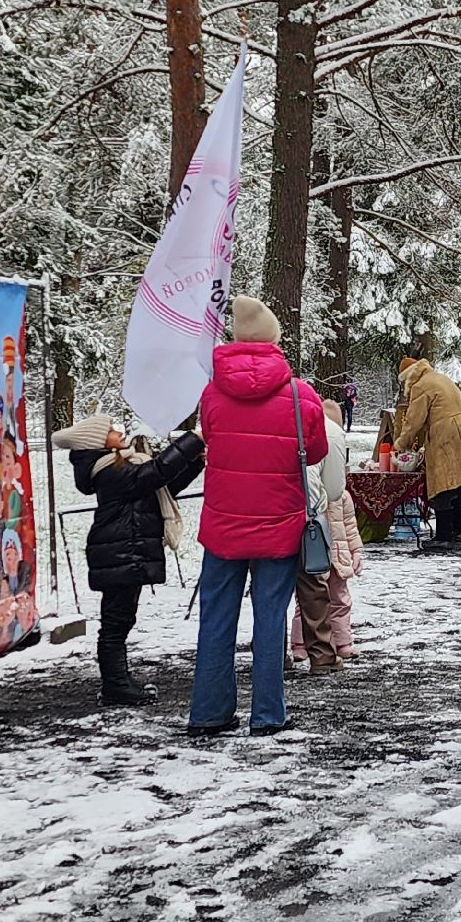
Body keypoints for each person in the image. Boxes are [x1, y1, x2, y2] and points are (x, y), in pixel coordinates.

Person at [189, 296, 327, 737]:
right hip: (278, 523)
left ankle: (209, 711)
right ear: (273, 339)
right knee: (270, 617)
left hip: (223, 523)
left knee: (216, 616)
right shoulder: (300, 395)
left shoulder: (211, 392)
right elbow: (317, 451)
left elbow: (210, 437)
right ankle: (268, 713)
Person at [54, 413, 205, 706]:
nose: (117, 431)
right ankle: (115, 685)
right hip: (119, 551)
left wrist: (195, 462)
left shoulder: (121, 465)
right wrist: (193, 439)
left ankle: (118, 681)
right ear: (97, 441)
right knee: (115, 622)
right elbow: (156, 473)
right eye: (110, 430)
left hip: (125, 550)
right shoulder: (108, 472)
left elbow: (161, 488)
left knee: (121, 619)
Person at [292, 394, 355, 672]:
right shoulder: (328, 430)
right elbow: (333, 491)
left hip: (256, 514)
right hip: (305, 516)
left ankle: (272, 655)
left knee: (269, 591)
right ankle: (322, 655)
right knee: (313, 587)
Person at [395, 358, 461, 549]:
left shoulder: (421, 386)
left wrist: (401, 444)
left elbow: (413, 421)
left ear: (408, 377)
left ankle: (444, 535)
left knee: (443, 482)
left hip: (445, 434)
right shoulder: (441, 378)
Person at [323, 401, 366, 657]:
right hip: (323, 556)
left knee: (334, 601)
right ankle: (301, 644)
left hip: (336, 557)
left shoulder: (342, 497)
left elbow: (350, 526)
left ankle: (342, 643)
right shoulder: (324, 493)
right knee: (320, 601)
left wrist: (356, 551)